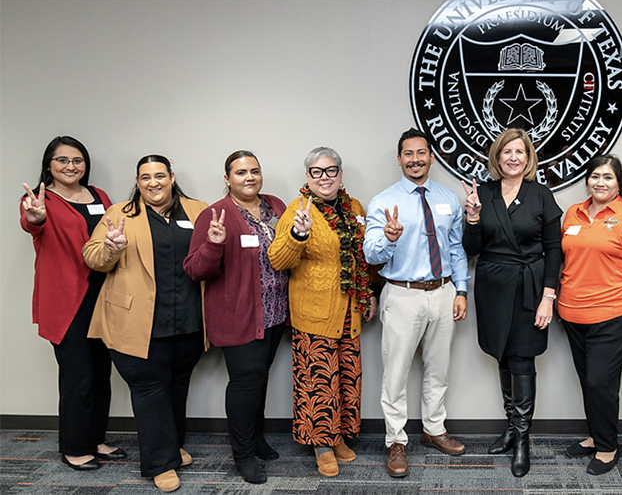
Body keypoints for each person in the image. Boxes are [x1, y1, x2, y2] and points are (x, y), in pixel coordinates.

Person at [82, 154, 208, 493]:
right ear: (137, 182)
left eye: (159, 175)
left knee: (177, 387)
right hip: (136, 322)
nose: (153, 182)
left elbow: (210, 256)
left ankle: (171, 447)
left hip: (188, 320)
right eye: (145, 177)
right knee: (150, 391)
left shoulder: (198, 211)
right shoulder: (119, 214)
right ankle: (159, 463)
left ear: (171, 177)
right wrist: (111, 248)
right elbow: (92, 257)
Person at [363, 128, 469, 478]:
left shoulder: (447, 198)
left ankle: (434, 428)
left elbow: (456, 248)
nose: (415, 160)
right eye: (408, 154)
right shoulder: (383, 201)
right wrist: (389, 239)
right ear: (399, 159)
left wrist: (461, 290)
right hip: (403, 293)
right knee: (395, 373)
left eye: (421, 153)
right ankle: (396, 440)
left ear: (431, 157)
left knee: (438, 369)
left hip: (442, 292)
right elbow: (370, 254)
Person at [268, 147, 377, 478]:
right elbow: (278, 260)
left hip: (349, 311)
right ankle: (322, 446)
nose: (325, 178)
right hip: (313, 312)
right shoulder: (298, 210)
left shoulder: (355, 207)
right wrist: (298, 233)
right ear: (308, 177)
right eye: (317, 172)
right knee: (319, 382)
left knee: (345, 377)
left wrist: (368, 292)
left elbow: (362, 258)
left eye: (331, 171)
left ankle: (339, 436)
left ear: (340, 174)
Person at [182, 151, 289, 484]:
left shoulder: (276, 206)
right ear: (227, 179)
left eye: (254, 171)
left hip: (275, 313)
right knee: (245, 384)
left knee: (260, 378)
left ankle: (256, 440)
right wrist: (213, 245)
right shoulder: (216, 214)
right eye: (241, 172)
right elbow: (195, 270)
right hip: (238, 317)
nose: (249, 177)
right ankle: (242, 454)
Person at [19, 136, 125, 471]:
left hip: (103, 295)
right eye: (62, 160)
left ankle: (95, 439)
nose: (70, 166)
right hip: (66, 299)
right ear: (48, 164)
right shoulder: (39, 199)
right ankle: (74, 447)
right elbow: (32, 225)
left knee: (100, 373)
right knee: (77, 377)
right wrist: (35, 216)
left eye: (77, 160)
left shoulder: (100, 197)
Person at [461, 128, 562, 477]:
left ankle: (522, 439)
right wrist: (472, 217)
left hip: (529, 288)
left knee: (522, 358)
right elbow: (472, 249)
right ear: (497, 156)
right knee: (503, 355)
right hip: (491, 287)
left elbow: (554, 251)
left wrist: (548, 297)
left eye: (519, 151)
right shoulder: (483, 193)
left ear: (528, 157)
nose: (513, 157)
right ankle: (511, 426)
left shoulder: (541, 194)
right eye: (507, 152)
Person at [558, 154, 622, 475]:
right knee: (589, 381)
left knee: (601, 382)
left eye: (608, 177)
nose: (600, 182)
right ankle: (596, 434)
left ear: (619, 184)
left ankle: (608, 446)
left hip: (615, 313)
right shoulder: (574, 212)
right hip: (573, 313)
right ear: (588, 180)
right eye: (595, 176)